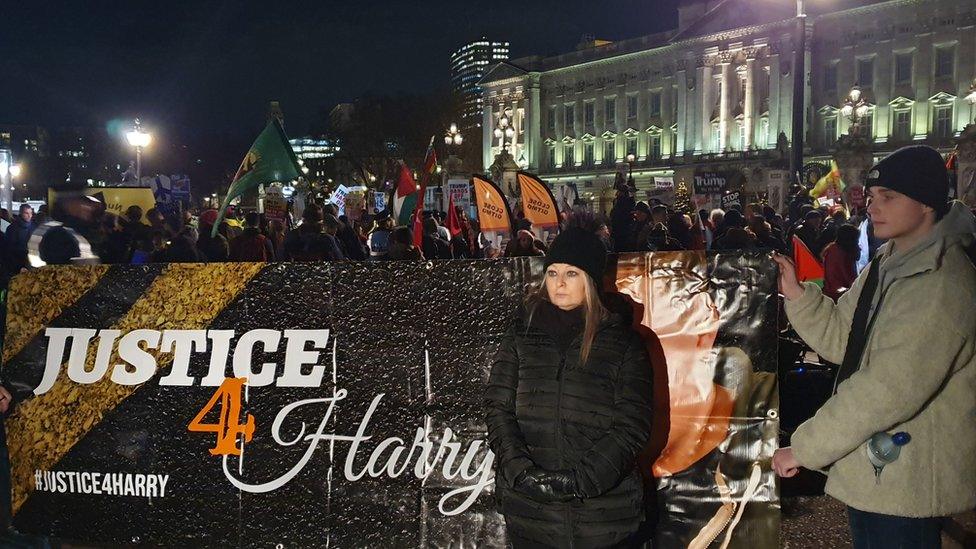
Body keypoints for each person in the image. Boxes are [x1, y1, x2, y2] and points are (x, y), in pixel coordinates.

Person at [772, 145, 976, 549]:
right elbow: (842, 339)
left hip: (910, 476)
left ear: (926, 205)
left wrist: (805, 447)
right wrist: (796, 294)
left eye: (889, 198)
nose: (873, 207)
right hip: (880, 469)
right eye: (871, 198)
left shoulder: (939, 282)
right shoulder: (889, 262)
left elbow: (886, 389)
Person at [486, 223, 653, 548]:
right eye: (552, 273)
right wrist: (521, 472)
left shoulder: (624, 344)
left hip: (605, 520)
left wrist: (579, 482)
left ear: (591, 279)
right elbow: (498, 408)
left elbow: (631, 428)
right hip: (531, 516)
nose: (559, 283)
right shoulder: (521, 334)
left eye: (572, 273)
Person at [820, 224, 860, 300]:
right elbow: (848, 276)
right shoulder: (842, 254)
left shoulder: (831, 248)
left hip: (829, 290)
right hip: (840, 293)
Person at [4, 204, 35, 274]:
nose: (30, 216)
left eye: (31, 213)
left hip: (32, 263)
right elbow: (9, 249)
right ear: (20, 213)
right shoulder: (12, 229)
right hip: (17, 265)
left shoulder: (34, 226)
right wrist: (19, 267)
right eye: (26, 213)